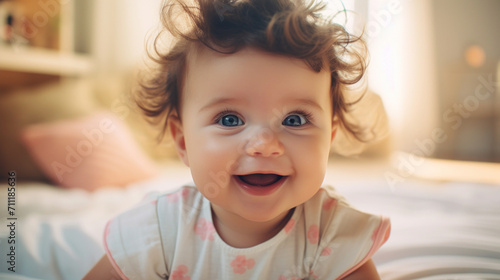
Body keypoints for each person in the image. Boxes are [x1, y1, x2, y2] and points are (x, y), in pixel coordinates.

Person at [84, 0, 390, 279]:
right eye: (229, 120)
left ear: (330, 138)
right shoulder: (159, 233)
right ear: (183, 142)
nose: (265, 144)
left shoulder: (334, 236)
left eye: (294, 120)